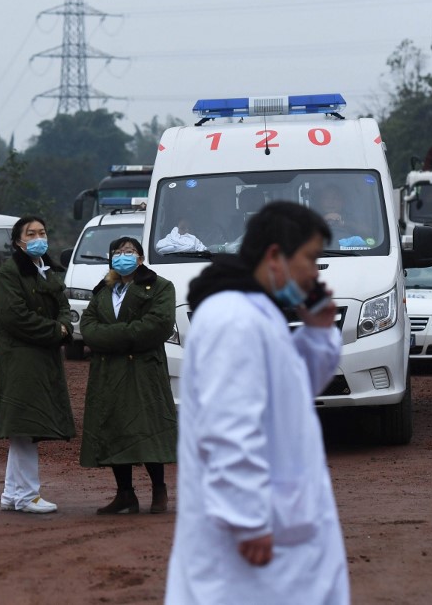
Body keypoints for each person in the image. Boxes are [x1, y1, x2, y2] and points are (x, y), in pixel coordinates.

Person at [165, 201, 349, 604]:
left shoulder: (260, 313)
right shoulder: (233, 318)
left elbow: (296, 394)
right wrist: (247, 519)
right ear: (274, 256)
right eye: (312, 259)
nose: (316, 273)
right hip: (252, 537)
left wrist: (319, 332)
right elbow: (228, 428)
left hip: (282, 526)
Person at [79, 236, 177, 515]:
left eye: (129, 251)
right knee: (114, 429)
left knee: (147, 428)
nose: (123, 255)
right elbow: (88, 327)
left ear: (141, 258)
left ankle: (159, 491)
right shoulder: (103, 290)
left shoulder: (160, 287)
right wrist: (122, 335)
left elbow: (158, 326)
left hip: (143, 371)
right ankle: (125, 495)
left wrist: (110, 337)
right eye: (118, 251)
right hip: (109, 372)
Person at [0, 216, 75, 514]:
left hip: (43, 357)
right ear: (18, 241)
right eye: (31, 233)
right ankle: (28, 495)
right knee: (25, 424)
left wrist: (64, 326)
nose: (38, 237)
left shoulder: (47, 271)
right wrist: (56, 331)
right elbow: (15, 317)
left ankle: (12, 493)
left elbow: (63, 306)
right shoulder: (8, 274)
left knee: (22, 427)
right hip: (22, 360)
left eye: (42, 231)